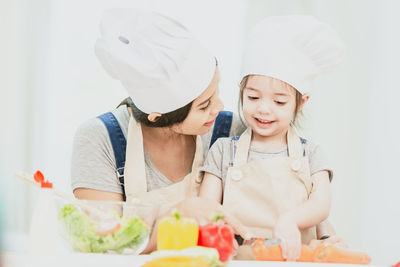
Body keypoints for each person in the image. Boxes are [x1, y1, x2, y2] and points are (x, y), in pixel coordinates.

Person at [72, 10, 343, 254]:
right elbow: (105, 245)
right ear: (160, 116)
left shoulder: (233, 132)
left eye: (217, 90)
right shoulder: (100, 140)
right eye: (205, 105)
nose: (221, 108)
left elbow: (293, 191)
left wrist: (326, 235)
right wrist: (179, 215)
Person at [199, 15, 345, 261]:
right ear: (241, 92)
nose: (264, 109)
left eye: (279, 101)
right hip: (236, 260)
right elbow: (206, 206)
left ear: (301, 103)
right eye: (253, 97)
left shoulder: (311, 153)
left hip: (296, 261)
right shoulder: (224, 150)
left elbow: (321, 204)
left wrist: (291, 220)